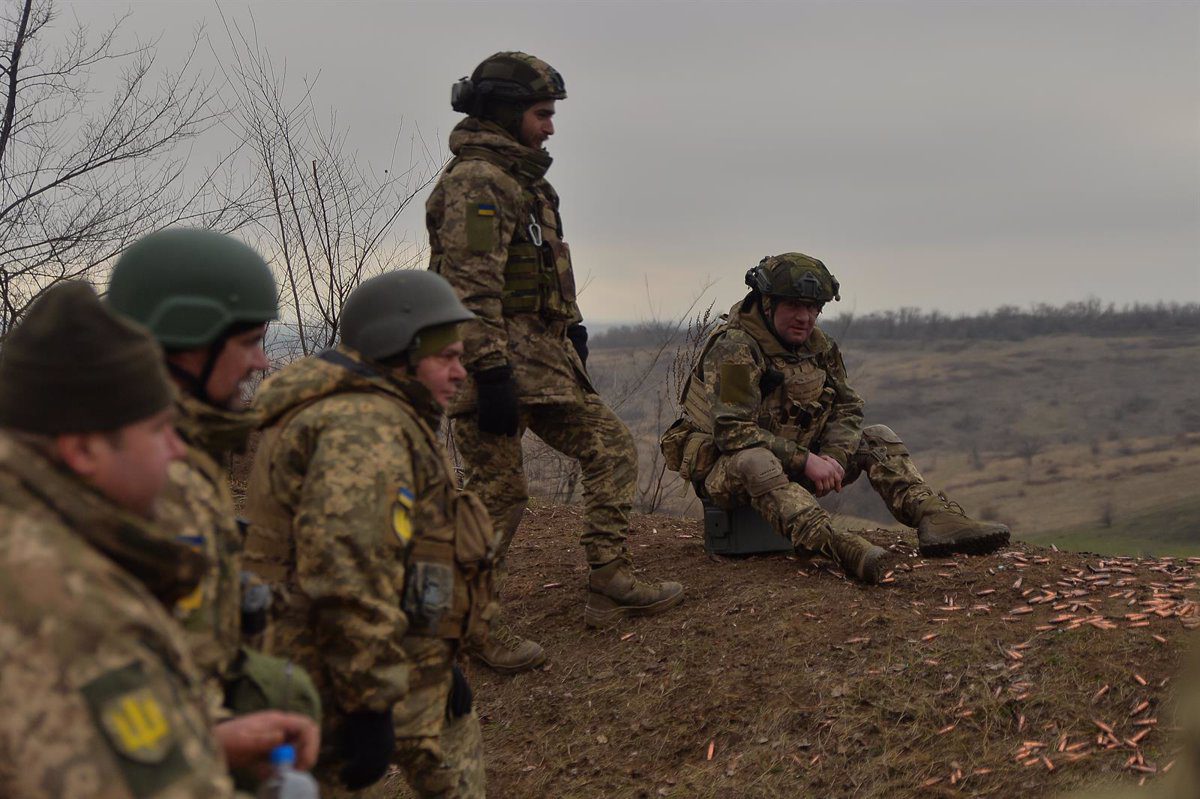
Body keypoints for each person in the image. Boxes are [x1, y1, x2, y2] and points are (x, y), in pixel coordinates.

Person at [0, 282, 319, 798]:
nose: (176, 452)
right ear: (82, 449)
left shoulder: (31, 529)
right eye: (159, 430)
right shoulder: (72, 608)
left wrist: (202, 739)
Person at [427, 50, 683, 672]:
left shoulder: (527, 183)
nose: (550, 127)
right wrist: (488, 375)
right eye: (542, 113)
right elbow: (468, 287)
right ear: (508, 112)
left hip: (541, 362)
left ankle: (609, 582)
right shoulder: (477, 183)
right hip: (490, 366)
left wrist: (573, 329)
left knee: (611, 448)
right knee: (498, 495)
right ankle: (468, 625)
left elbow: (539, 273)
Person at [243, 271, 495, 797]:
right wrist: (371, 702)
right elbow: (348, 569)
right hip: (338, 681)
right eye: (446, 357)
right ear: (398, 352)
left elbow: (401, 554)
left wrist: (436, 663)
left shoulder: (376, 411)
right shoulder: (365, 427)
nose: (460, 373)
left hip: (381, 665)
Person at [661, 253, 1010, 582]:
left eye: (813, 307)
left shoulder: (820, 346)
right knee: (755, 460)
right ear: (768, 304)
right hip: (728, 471)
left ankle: (934, 517)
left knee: (876, 438)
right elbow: (731, 432)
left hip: (795, 460)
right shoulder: (735, 348)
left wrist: (834, 456)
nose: (805, 317)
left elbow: (847, 407)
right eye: (794, 306)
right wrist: (806, 460)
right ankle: (837, 545)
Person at [107, 229, 320, 727]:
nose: (263, 363)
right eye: (249, 343)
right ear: (187, 343)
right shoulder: (125, 471)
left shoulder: (180, 443)